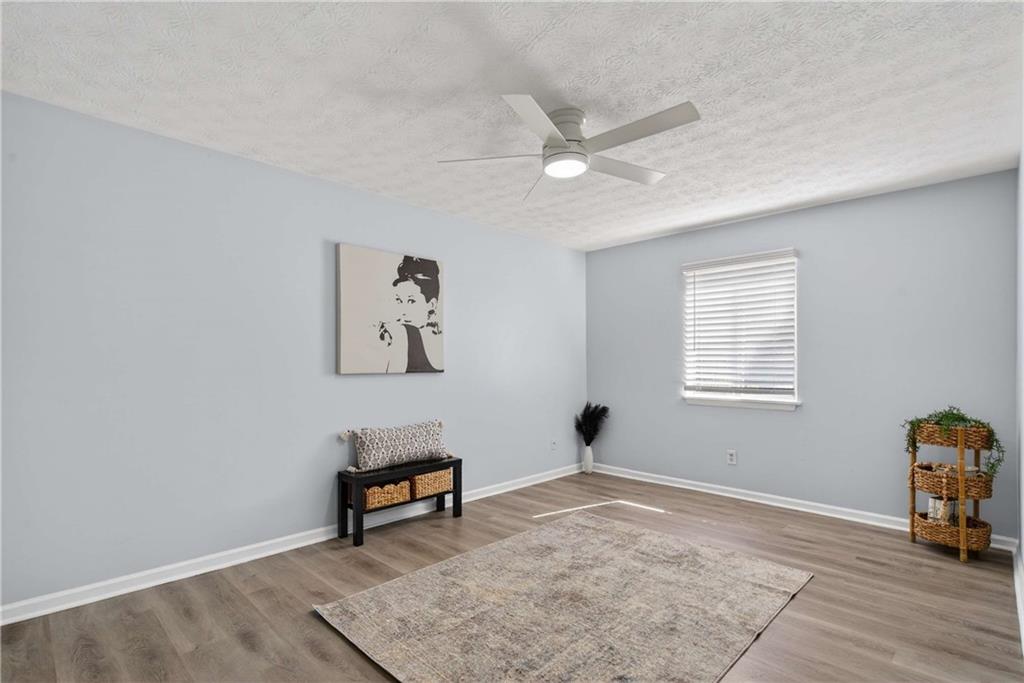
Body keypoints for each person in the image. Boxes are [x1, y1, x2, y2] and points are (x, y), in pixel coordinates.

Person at [377, 256, 442, 372]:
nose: (402, 311)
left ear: (431, 304)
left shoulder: (401, 333)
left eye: (411, 301)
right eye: (399, 301)